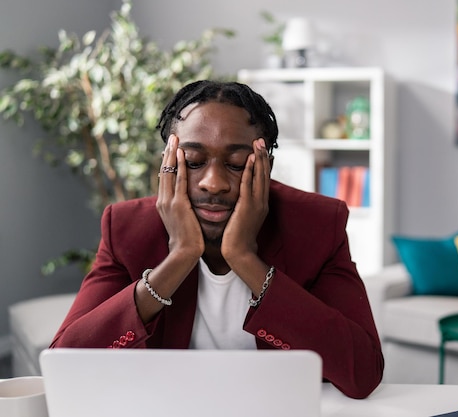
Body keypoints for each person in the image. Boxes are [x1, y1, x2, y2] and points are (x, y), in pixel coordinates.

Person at [50, 80, 384, 399]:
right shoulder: (127, 228)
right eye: (194, 162)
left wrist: (244, 257)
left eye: (237, 164)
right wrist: (179, 256)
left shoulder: (317, 224)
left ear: (265, 166)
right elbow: (63, 365)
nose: (214, 183)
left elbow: (362, 373)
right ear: (168, 164)